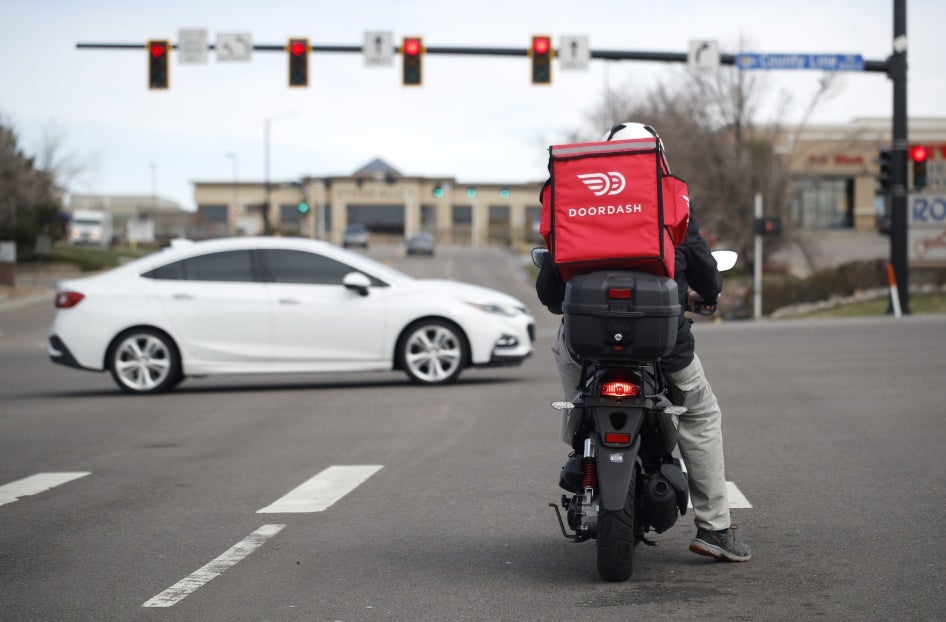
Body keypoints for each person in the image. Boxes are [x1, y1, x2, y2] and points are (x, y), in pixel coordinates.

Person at [538, 122, 751, 562]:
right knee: (700, 416)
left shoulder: (576, 196)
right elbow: (707, 274)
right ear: (656, 156)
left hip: (585, 340)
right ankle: (715, 529)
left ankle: (578, 426)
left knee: (572, 378)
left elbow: (549, 294)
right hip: (662, 338)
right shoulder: (665, 195)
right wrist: (705, 295)